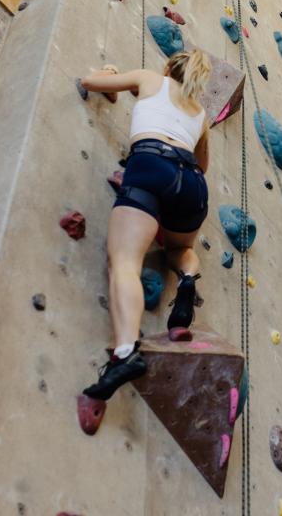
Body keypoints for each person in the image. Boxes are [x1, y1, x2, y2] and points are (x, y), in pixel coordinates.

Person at [79, 50, 212, 401]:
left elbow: (90, 82)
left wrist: (107, 70)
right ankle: (186, 281)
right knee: (181, 250)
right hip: (192, 185)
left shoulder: (150, 79)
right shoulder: (201, 115)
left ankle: (126, 352)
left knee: (124, 262)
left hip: (150, 165)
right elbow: (203, 164)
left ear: (168, 69)